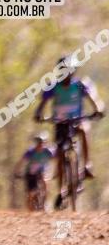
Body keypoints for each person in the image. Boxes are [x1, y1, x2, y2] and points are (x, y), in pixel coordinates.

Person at [33, 56, 104, 187]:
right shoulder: (53, 87)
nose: (67, 74)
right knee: (60, 151)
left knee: (83, 130)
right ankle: (61, 191)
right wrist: (38, 114)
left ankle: (87, 165)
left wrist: (97, 110)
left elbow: (92, 100)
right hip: (60, 122)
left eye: (70, 70)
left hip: (76, 120)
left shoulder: (79, 85)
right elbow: (42, 104)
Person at [13, 131, 54, 211]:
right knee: (31, 194)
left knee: (45, 184)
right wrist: (17, 171)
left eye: (42, 143)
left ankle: (44, 203)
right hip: (31, 173)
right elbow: (21, 161)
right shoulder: (30, 152)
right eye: (38, 143)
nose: (40, 145)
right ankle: (30, 212)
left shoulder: (48, 152)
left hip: (42, 172)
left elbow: (56, 159)